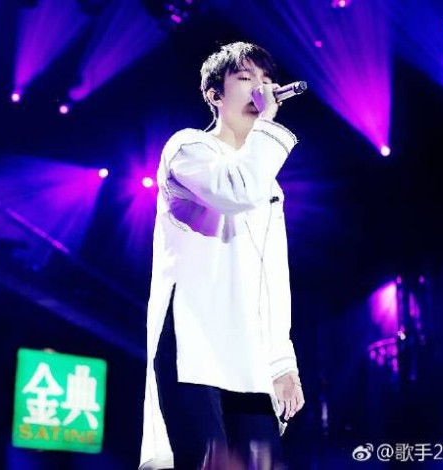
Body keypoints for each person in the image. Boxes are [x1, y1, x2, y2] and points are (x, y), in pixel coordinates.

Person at [139, 41, 305, 470]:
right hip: (192, 345)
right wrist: (267, 123)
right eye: (246, 79)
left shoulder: (268, 185)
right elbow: (235, 190)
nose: (261, 90)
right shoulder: (188, 148)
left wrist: (282, 361)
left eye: (267, 81)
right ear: (214, 95)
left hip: (249, 357)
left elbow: (273, 276)